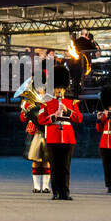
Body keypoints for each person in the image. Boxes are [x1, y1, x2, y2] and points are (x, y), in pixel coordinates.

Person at [37, 63, 81, 200]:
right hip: (53, 137)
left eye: (61, 88)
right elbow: (40, 119)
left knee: (65, 167)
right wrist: (52, 117)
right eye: (57, 88)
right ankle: (55, 192)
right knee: (55, 167)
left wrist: (68, 112)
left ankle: (65, 192)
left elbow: (79, 118)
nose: (59, 91)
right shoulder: (46, 102)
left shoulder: (71, 103)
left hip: (68, 137)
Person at [20, 84, 51, 193]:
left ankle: (46, 186)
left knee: (46, 160)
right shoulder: (29, 101)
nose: (39, 89)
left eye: (41, 87)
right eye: (37, 87)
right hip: (35, 131)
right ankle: (37, 186)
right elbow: (22, 118)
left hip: (46, 131)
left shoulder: (49, 99)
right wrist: (25, 111)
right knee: (35, 160)